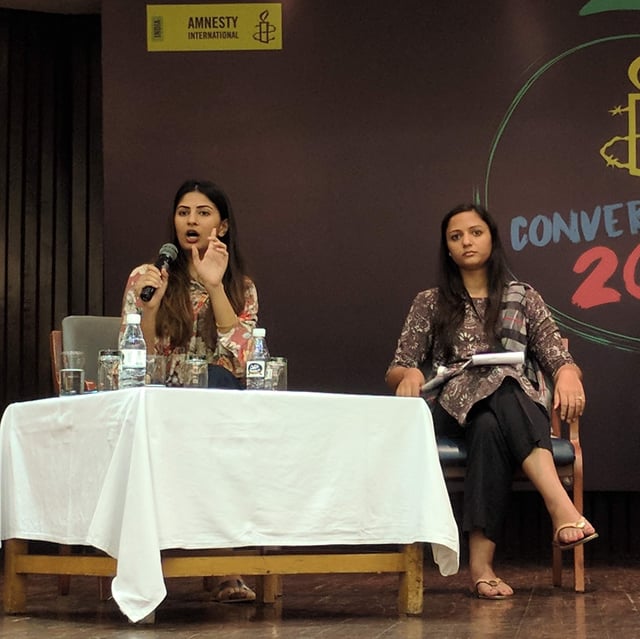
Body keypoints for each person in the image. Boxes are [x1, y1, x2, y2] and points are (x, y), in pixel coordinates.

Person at [385, 203, 598, 600]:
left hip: (512, 408)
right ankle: (560, 507)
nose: (466, 241)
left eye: (475, 232)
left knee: (491, 419)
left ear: (492, 238)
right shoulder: (430, 302)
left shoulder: (523, 296)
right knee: (497, 387)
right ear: (447, 249)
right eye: (456, 236)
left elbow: (557, 357)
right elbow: (400, 366)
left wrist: (567, 374)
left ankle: (481, 568)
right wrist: (410, 374)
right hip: (454, 406)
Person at [120, 178, 258, 603]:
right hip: (162, 400)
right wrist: (152, 308)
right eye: (184, 213)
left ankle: (221, 559)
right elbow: (136, 355)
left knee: (219, 385)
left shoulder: (241, 287)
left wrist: (215, 286)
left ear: (223, 225)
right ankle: (211, 561)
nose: (191, 221)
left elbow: (239, 359)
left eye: (202, 213)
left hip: (216, 407)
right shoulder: (147, 278)